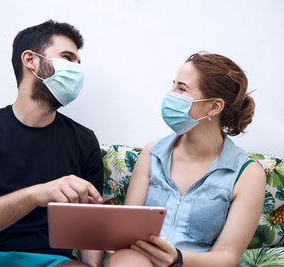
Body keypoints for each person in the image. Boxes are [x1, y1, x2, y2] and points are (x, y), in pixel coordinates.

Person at [0, 20, 104, 267]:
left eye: (78, 63)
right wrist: (35, 195)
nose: (76, 70)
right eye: (67, 58)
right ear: (30, 60)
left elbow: (88, 225)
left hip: (54, 260)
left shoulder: (84, 140)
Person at [105, 52, 266, 267]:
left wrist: (176, 258)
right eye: (173, 85)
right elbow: (128, 233)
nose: (170, 94)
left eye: (181, 88)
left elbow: (227, 256)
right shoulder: (152, 153)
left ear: (214, 107)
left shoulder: (247, 173)